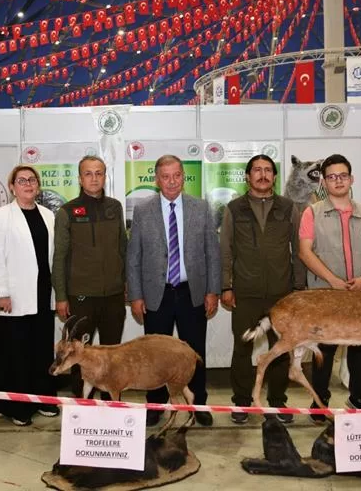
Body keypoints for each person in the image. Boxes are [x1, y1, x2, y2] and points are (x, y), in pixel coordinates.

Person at [127, 154, 220, 427]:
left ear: (183, 177)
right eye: (165, 176)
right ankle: (155, 404)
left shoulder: (200, 208)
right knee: (155, 355)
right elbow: (134, 257)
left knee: (194, 352)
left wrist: (213, 290)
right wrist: (135, 295)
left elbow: (212, 254)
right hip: (157, 294)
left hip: (192, 292)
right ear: (157, 180)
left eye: (176, 175)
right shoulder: (143, 211)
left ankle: (198, 403)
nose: (171, 181)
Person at [298, 154, 361, 422]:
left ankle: (358, 397)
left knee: (360, 348)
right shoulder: (311, 212)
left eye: (343, 176)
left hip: (360, 295)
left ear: (351, 179)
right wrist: (333, 281)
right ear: (323, 182)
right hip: (326, 295)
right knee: (324, 349)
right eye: (332, 177)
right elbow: (305, 252)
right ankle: (319, 400)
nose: (338, 181)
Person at [220, 155, 306, 425]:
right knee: (242, 348)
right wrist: (226, 286)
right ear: (248, 176)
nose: (262, 175)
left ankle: (278, 403)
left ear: (275, 177)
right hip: (245, 293)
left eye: (268, 170)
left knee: (280, 349)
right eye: (257, 170)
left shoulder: (289, 207)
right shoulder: (234, 209)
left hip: (282, 295)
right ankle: (242, 402)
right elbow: (226, 250)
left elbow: (299, 250)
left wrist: (299, 288)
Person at [52, 156, 127, 399]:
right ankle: (81, 406)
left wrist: (127, 285)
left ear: (105, 176)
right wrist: (61, 297)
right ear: (80, 178)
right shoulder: (67, 211)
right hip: (81, 297)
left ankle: (110, 402)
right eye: (88, 173)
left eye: (99, 173)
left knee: (112, 355)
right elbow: (59, 258)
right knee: (78, 355)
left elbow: (123, 250)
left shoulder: (115, 207)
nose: (94, 178)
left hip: (114, 297)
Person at [0, 165, 58, 426]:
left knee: (41, 351)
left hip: (42, 294)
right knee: (16, 353)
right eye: (21, 180)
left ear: (38, 185)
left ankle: (44, 399)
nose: (28, 184)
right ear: (12, 186)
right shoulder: (1, 216)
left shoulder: (49, 215)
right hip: (13, 298)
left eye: (32, 180)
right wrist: (1, 292)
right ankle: (17, 407)